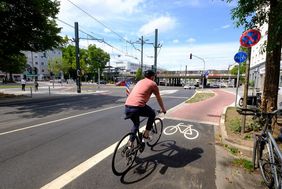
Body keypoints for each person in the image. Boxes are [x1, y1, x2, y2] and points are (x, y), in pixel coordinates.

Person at [125, 70, 166, 147]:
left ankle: (130, 143)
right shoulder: (153, 84)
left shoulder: (140, 82)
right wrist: (163, 109)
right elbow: (158, 98)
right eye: (154, 76)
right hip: (138, 107)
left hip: (127, 106)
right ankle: (146, 134)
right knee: (152, 114)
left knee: (136, 124)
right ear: (152, 77)